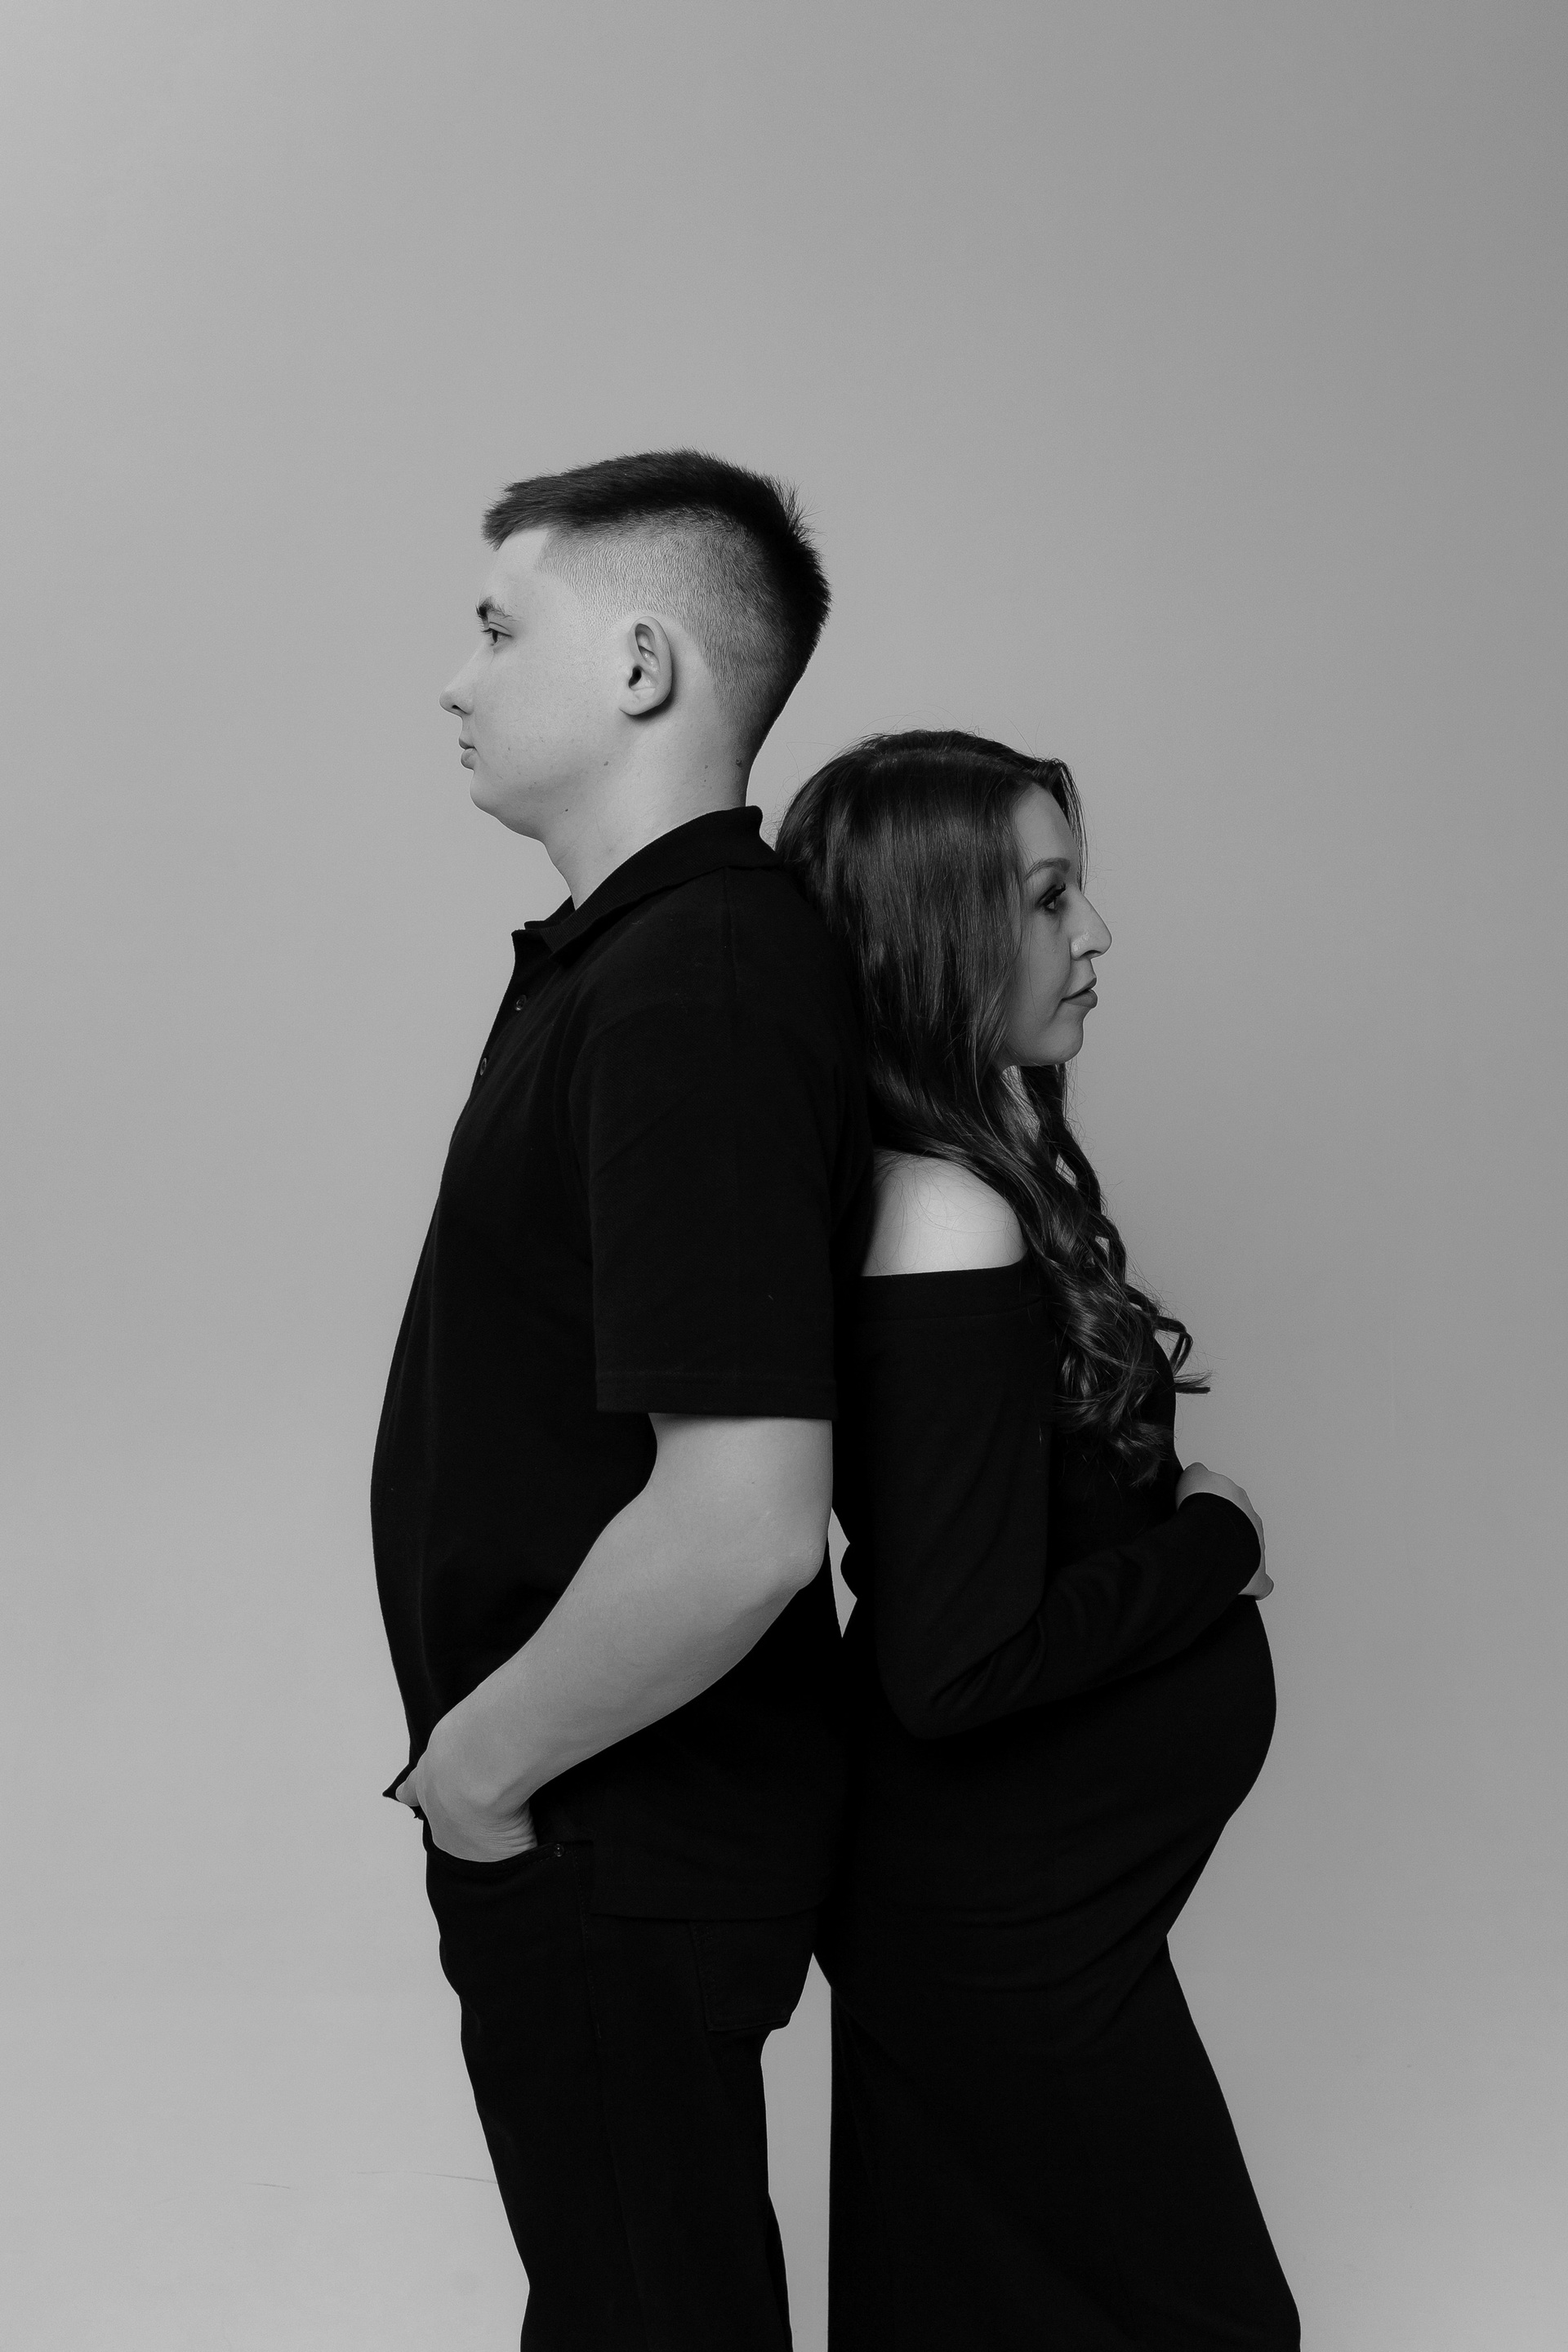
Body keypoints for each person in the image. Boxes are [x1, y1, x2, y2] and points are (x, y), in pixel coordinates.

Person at [371, 452, 872, 2350]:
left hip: (610, 1825)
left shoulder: (697, 982)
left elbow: (744, 1526)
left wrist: (482, 1777)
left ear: (644, 667)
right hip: (595, 1826)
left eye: (502, 630)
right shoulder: (643, 962)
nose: (458, 679)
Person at [777, 731, 1300, 2351]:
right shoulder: (944, 1214)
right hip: (997, 1934)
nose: (1096, 935)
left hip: (1016, 1923)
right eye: (1049, 897)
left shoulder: (954, 1183)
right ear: (935, 934)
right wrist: (1215, 1539)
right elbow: (957, 1666)